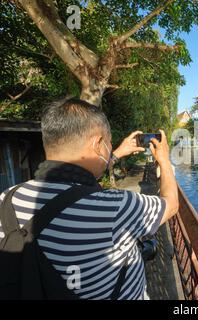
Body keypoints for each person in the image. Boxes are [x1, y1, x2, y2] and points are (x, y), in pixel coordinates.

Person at [0, 98, 178, 300]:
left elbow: (74, 184)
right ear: (97, 143)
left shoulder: (8, 199)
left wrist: (117, 154)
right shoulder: (116, 206)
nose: (111, 148)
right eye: (109, 143)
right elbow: (170, 205)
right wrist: (164, 159)